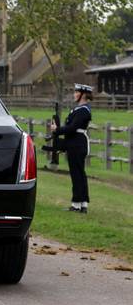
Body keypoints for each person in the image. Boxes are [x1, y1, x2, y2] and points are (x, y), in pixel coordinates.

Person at [49, 83, 93, 213]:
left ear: (83, 95)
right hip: (75, 143)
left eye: (76, 92)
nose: (74, 94)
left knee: (77, 174)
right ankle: (83, 203)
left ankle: (77, 204)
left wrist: (57, 129)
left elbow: (72, 128)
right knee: (79, 173)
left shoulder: (83, 110)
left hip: (77, 144)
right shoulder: (80, 109)